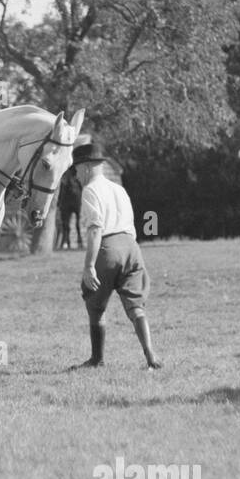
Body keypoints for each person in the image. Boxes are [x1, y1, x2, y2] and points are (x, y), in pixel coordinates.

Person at [72, 142, 161, 370]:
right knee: (135, 305)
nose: (75, 174)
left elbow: (95, 229)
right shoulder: (119, 189)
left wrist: (89, 266)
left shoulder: (90, 190)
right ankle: (150, 354)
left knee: (95, 303)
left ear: (87, 167)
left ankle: (96, 359)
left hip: (108, 247)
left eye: (77, 169)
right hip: (131, 246)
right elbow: (131, 225)